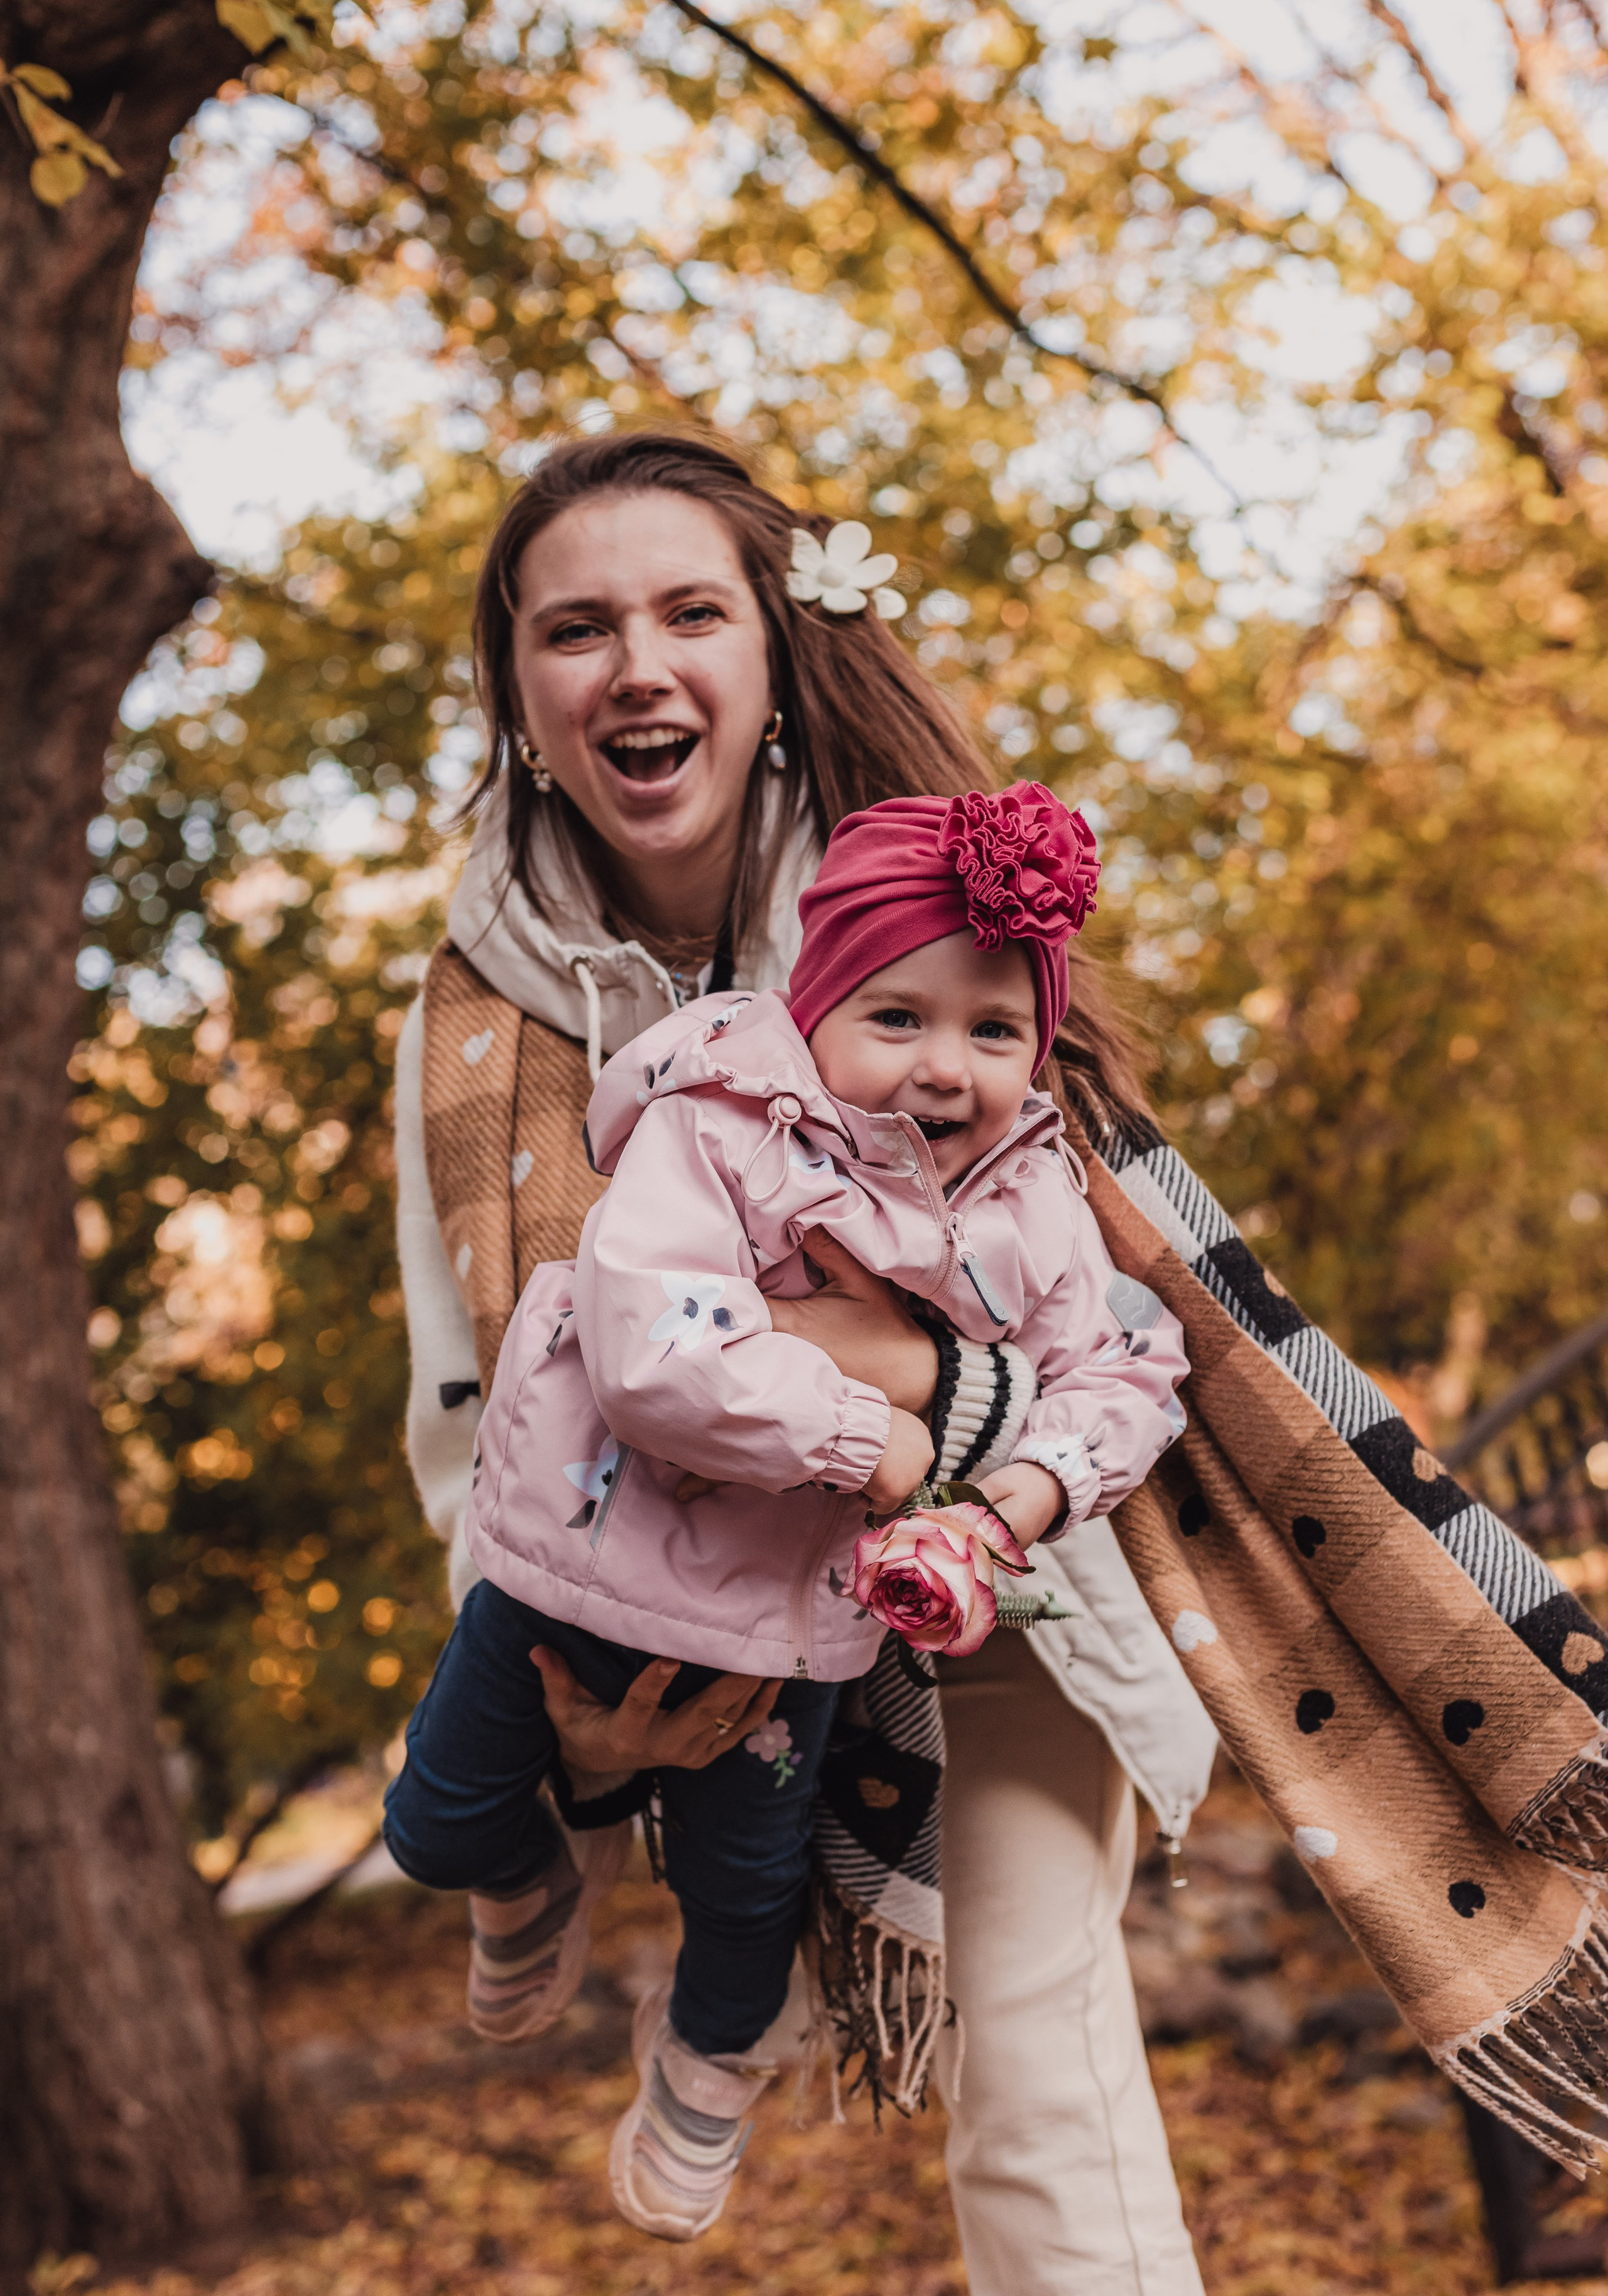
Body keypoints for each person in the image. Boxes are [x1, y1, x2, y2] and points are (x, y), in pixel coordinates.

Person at [393, 429, 1216, 2292]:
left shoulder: (944, 924)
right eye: (575, 627)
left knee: (1036, 2066)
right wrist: (550, 1652)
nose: (637, 663)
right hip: (662, 1595)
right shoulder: (464, 1022)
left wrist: (909, 1400)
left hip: (1001, 1591)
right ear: (522, 696)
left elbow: (1087, 1302)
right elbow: (472, 1396)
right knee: (601, 1880)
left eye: (691, 610)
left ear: (769, 656)